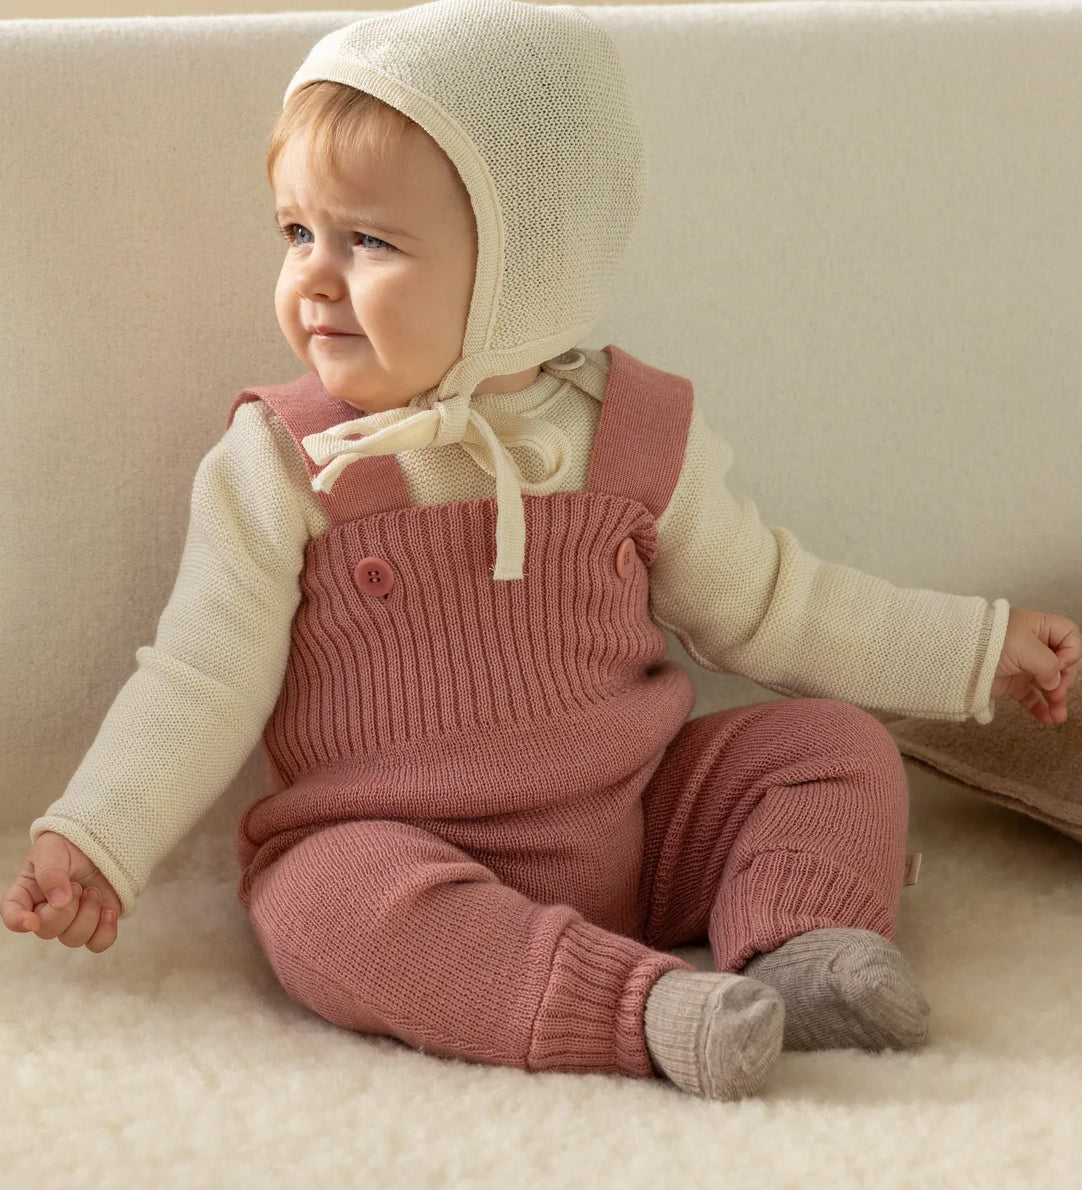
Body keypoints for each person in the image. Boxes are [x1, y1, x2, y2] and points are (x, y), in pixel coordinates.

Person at [3, 0, 1079, 1102]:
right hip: (402, 851)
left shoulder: (629, 433)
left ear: (528, 256)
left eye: (367, 239)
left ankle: (800, 951)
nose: (315, 277)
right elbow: (199, 676)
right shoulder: (281, 461)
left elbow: (771, 606)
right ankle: (648, 1011)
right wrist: (97, 834)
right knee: (319, 899)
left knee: (833, 746)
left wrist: (979, 647)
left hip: (636, 822)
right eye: (297, 232)